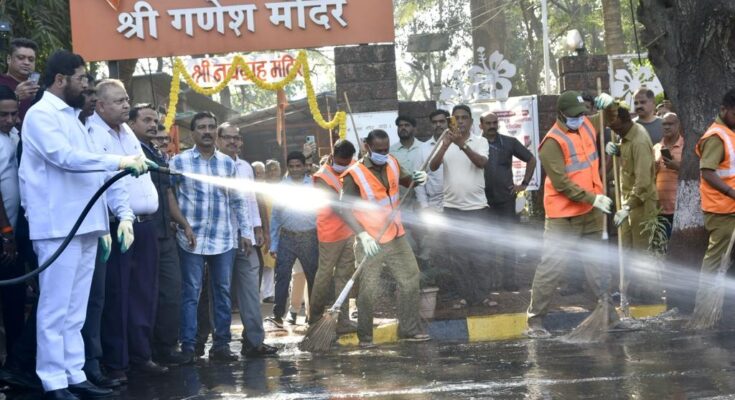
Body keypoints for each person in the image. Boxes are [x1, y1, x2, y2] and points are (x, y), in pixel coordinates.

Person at [19, 50, 149, 400]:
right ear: (61, 80)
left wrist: (110, 223)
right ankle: (53, 381)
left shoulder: (75, 119)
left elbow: (93, 176)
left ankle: (74, 374)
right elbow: (66, 159)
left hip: (86, 225)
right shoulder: (41, 115)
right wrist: (118, 160)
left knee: (75, 310)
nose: (87, 88)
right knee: (55, 308)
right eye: (82, 80)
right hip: (58, 226)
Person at [525, 90, 617, 338]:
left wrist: (610, 105)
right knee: (552, 266)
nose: (580, 118)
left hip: (591, 210)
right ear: (561, 114)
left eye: (582, 114)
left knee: (598, 263)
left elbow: (610, 118)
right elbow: (562, 183)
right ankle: (535, 320)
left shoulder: (586, 123)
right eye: (574, 116)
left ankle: (609, 314)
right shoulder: (551, 143)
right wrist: (594, 198)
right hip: (563, 215)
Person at [168, 111, 251, 363]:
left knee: (223, 292)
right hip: (190, 238)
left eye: (211, 126)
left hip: (223, 238)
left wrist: (245, 231)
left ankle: (221, 346)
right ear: (192, 133)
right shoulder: (179, 162)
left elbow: (237, 199)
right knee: (191, 292)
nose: (207, 131)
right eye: (201, 127)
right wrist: (181, 225)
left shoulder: (228, 163)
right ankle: (189, 347)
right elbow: (169, 195)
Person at [340, 129, 429, 347]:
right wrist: (362, 235)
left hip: (395, 235)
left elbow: (408, 181)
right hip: (369, 240)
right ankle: (366, 337)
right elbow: (343, 209)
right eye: (378, 150)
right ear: (367, 147)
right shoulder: (355, 174)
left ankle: (408, 329)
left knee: (410, 279)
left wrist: (419, 178)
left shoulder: (392, 162)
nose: (383, 153)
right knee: (368, 289)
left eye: (386, 149)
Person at [129, 104, 188, 366]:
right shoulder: (130, 150)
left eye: (155, 120)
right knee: (145, 294)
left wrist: (183, 223)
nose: (153, 125)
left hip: (166, 233)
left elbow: (167, 193)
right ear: (132, 123)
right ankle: (144, 353)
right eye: (146, 120)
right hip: (144, 231)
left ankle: (165, 346)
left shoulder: (156, 153)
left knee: (172, 291)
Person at [216, 123, 277, 357]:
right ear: (219, 140)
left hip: (246, 238)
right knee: (220, 291)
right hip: (219, 239)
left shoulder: (245, 167)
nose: (233, 142)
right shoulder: (213, 164)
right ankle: (218, 345)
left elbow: (251, 199)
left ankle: (254, 341)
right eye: (228, 138)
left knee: (251, 290)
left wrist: (258, 228)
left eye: (237, 138)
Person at [428, 105, 490, 307]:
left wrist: (462, 144)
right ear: (450, 121)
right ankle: (465, 296)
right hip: (452, 209)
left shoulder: (480, 141)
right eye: (456, 118)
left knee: (480, 256)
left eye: (464, 118)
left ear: (471, 121)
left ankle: (482, 296)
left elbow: (481, 162)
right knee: (459, 258)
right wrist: (446, 144)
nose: (460, 121)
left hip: (477, 209)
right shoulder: (444, 141)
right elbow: (433, 166)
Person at [606, 104, 659, 303]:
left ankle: (648, 293)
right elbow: (629, 161)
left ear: (628, 121)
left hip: (641, 203)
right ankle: (627, 289)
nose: (615, 132)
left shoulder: (639, 140)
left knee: (641, 251)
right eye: (612, 129)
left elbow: (644, 182)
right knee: (625, 248)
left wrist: (628, 206)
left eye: (618, 129)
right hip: (627, 200)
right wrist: (618, 149)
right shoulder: (625, 136)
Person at [691, 89, 735, 324]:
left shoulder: (731, 132)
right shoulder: (717, 137)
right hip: (723, 210)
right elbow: (707, 172)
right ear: (724, 110)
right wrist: (731, 193)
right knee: (716, 261)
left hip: (731, 207)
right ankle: (704, 310)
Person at [480, 111, 536, 291]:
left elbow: (531, 159)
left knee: (508, 242)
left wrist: (524, 184)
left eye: (494, 123)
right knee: (486, 243)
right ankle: (488, 284)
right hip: (482, 201)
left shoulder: (509, 142)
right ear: (481, 125)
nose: (491, 126)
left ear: (499, 123)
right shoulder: (474, 143)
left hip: (505, 200)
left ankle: (509, 281)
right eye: (487, 123)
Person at [309, 139, 357, 333]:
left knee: (344, 276)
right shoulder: (321, 176)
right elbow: (337, 206)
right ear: (332, 156)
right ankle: (314, 319)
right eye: (341, 163)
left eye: (347, 163)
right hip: (330, 232)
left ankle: (343, 320)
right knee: (325, 275)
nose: (344, 167)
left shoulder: (353, 164)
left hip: (350, 230)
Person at [266, 151, 318, 327]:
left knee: (313, 277)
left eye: (298, 166)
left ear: (305, 166)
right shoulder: (282, 187)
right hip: (286, 237)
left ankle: (314, 316)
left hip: (310, 237)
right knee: (282, 276)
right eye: (291, 166)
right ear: (287, 167)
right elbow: (275, 217)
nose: (295, 169)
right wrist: (274, 243)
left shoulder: (313, 185)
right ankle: (278, 315)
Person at [0, 86, 25, 357]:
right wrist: (6, 232)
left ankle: (15, 365)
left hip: (15, 234)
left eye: (13, 113)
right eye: (2, 115)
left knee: (15, 301)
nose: (9, 119)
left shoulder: (15, 134)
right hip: (4, 235)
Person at [653, 112, 683, 238]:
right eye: (664, 124)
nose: (667, 127)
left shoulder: (686, 146)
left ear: (678, 125)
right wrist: (653, 169)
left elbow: (698, 173)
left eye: (670, 124)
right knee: (662, 249)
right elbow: (650, 176)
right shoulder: (656, 147)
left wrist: (678, 166)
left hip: (680, 209)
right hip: (659, 210)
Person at [0, 38, 39, 123]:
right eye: (21, 58)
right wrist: (15, 97)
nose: (26, 63)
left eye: (31, 59)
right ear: (9, 59)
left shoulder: (39, 89)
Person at [260, 159, 281, 303]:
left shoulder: (285, 187)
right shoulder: (261, 189)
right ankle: (267, 293)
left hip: (284, 229)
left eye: (275, 169)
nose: (272, 172)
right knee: (268, 264)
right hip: (267, 229)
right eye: (270, 170)